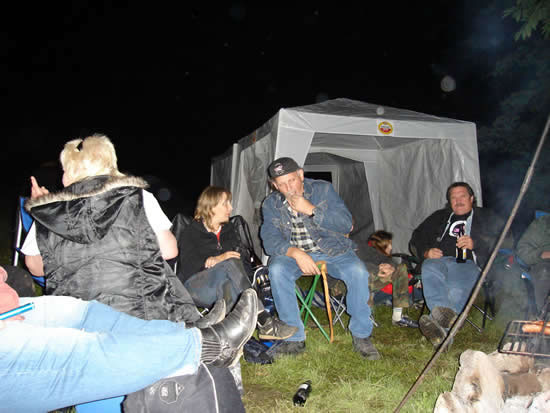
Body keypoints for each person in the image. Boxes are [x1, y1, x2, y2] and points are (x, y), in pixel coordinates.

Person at [20, 134, 235, 409]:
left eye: (63, 170)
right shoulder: (137, 197)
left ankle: (197, 332)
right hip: (138, 319)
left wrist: (45, 212)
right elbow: (170, 250)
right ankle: (198, 330)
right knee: (156, 267)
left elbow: (35, 265)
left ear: (71, 173)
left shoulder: (50, 210)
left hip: (82, 328)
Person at [0, 265, 258, 413]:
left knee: (81, 311)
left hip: (9, 311)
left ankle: (185, 332)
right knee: (77, 349)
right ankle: (210, 345)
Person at [260, 157, 379, 360]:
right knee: (277, 270)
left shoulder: (323, 190)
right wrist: (296, 253)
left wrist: (312, 210)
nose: (289, 188)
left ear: (301, 175)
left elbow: (345, 223)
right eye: (282, 184)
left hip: (332, 250)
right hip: (294, 254)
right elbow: (269, 240)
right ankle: (294, 339)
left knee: (358, 271)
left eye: (292, 180)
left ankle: (361, 335)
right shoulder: (271, 203)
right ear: (274, 185)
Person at [177, 185, 297, 341]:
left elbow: (243, 264)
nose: (231, 208)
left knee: (230, 279)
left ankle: (235, 336)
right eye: (225, 204)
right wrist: (215, 259)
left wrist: (235, 262)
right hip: (197, 287)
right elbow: (186, 266)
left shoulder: (230, 231)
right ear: (211, 207)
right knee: (229, 262)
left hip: (224, 287)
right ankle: (264, 320)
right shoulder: (191, 231)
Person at [410, 182, 512, 348]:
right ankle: (445, 324)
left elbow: (506, 240)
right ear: (449, 201)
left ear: (471, 198)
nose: (458, 201)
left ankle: (442, 335)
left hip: (467, 264)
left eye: (462, 196)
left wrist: (476, 243)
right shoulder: (439, 216)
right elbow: (417, 237)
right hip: (438, 261)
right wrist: (426, 252)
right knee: (429, 266)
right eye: (453, 197)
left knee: (456, 291)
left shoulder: (486, 217)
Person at [355, 230, 418, 328]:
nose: (391, 248)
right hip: (359, 283)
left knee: (401, 269)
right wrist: (377, 269)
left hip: (374, 285)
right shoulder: (355, 246)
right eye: (389, 244)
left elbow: (388, 260)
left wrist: (391, 267)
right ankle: (365, 316)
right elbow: (356, 263)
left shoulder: (372, 251)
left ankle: (397, 317)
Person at [516, 213, 550, 311]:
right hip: (544, 265)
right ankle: (545, 316)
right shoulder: (543, 224)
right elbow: (522, 251)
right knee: (544, 273)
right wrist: (544, 254)